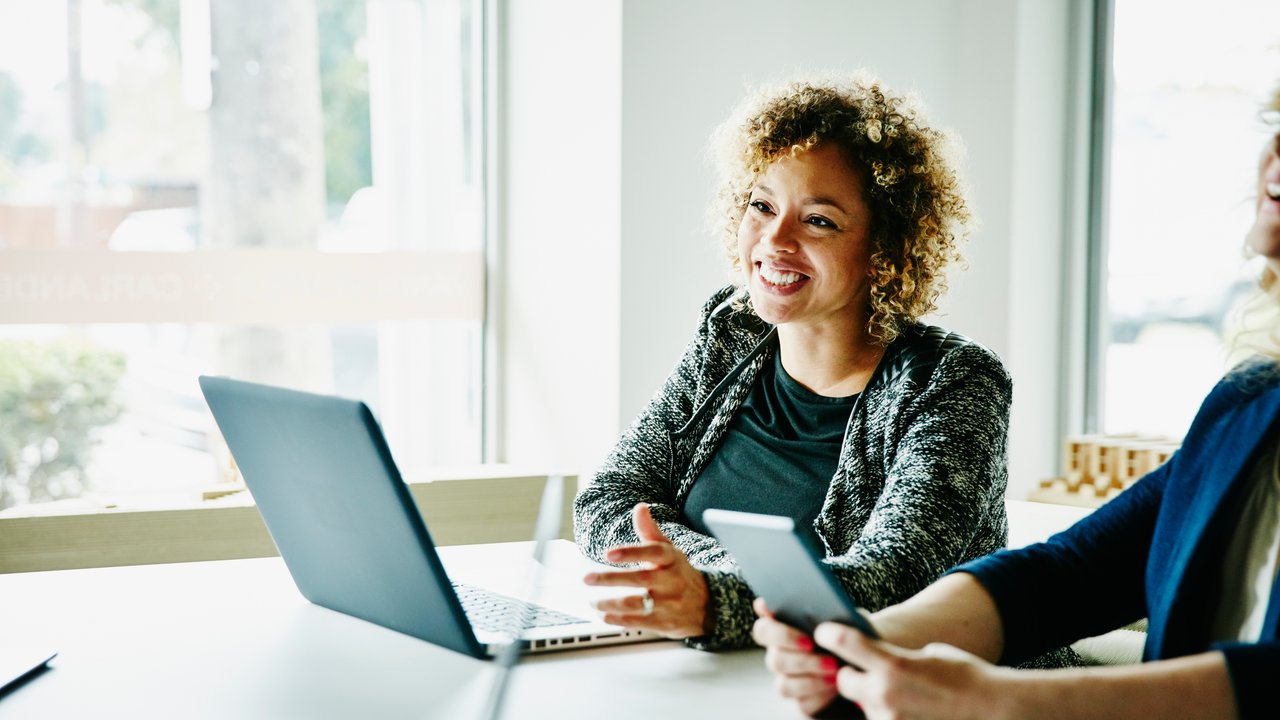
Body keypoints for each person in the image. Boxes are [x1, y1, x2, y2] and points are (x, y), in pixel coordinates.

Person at [753, 83, 1280, 719]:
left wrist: (1002, 702)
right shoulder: (1251, 397)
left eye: (818, 218)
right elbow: (1071, 573)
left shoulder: (950, 376)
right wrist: (872, 641)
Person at [573, 71, 1029, 653]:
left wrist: (714, 597)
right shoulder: (730, 334)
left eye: (818, 220)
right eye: (762, 205)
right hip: (747, 679)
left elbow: (890, 585)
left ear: (885, 249)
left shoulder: (956, 384)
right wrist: (712, 578)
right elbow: (608, 500)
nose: (774, 240)